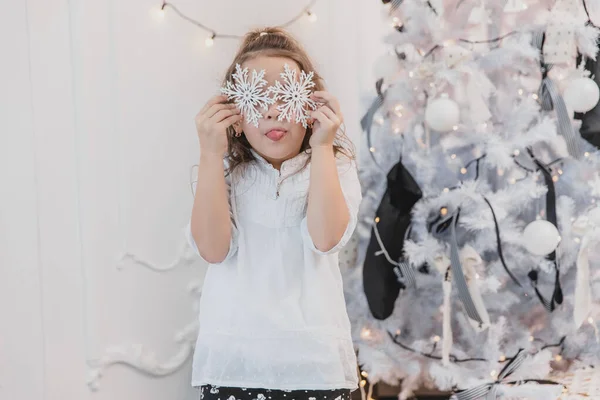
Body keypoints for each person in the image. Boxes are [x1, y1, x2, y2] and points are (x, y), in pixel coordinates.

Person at [186, 26, 361, 400]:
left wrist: (324, 147)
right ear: (234, 110)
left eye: (287, 96)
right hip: (234, 362)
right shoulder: (222, 172)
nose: (272, 111)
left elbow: (325, 239)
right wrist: (209, 154)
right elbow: (213, 249)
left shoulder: (335, 167)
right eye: (257, 95)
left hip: (316, 365)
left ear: (310, 106)